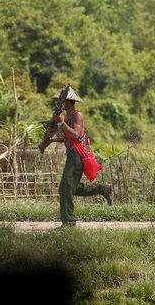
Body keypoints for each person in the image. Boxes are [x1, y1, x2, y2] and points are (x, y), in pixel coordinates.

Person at [44, 88, 112, 228]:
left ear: (67, 101)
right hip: (72, 154)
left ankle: (69, 222)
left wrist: (61, 123)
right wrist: (51, 140)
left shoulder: (77, 116)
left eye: (60, 101)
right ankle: (102, 189)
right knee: (69, 188)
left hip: (77, 155)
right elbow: (68, 138)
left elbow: (75, 134)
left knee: (65, 187)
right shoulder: (68, 116)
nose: (58, 103)